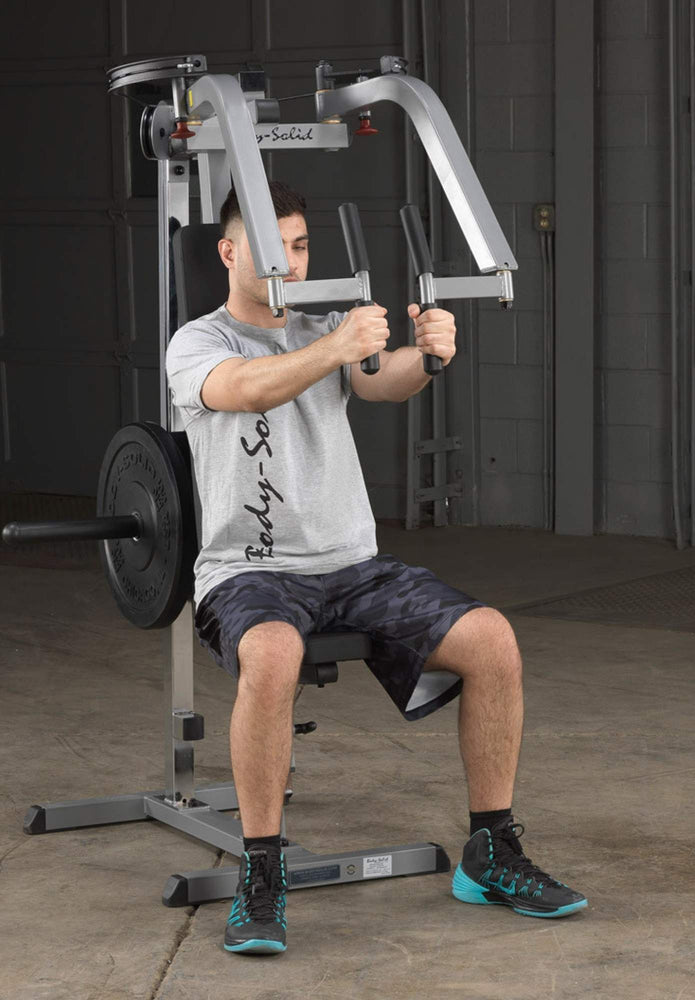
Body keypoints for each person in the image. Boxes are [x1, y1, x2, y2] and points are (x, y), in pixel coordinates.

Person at [165, 180, 586, 955]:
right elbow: (247, 391)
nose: (291, 261)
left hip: (351, 563)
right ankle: (262, 873)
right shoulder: (198, 343)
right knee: (273, 652)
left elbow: (378, 379)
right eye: (272, 247)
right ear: (229, 252)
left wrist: (425, 358)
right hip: (249, 569)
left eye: (299, 245)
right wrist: (330, 344)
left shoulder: (326, 327)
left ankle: (489, 851)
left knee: (492, 639)